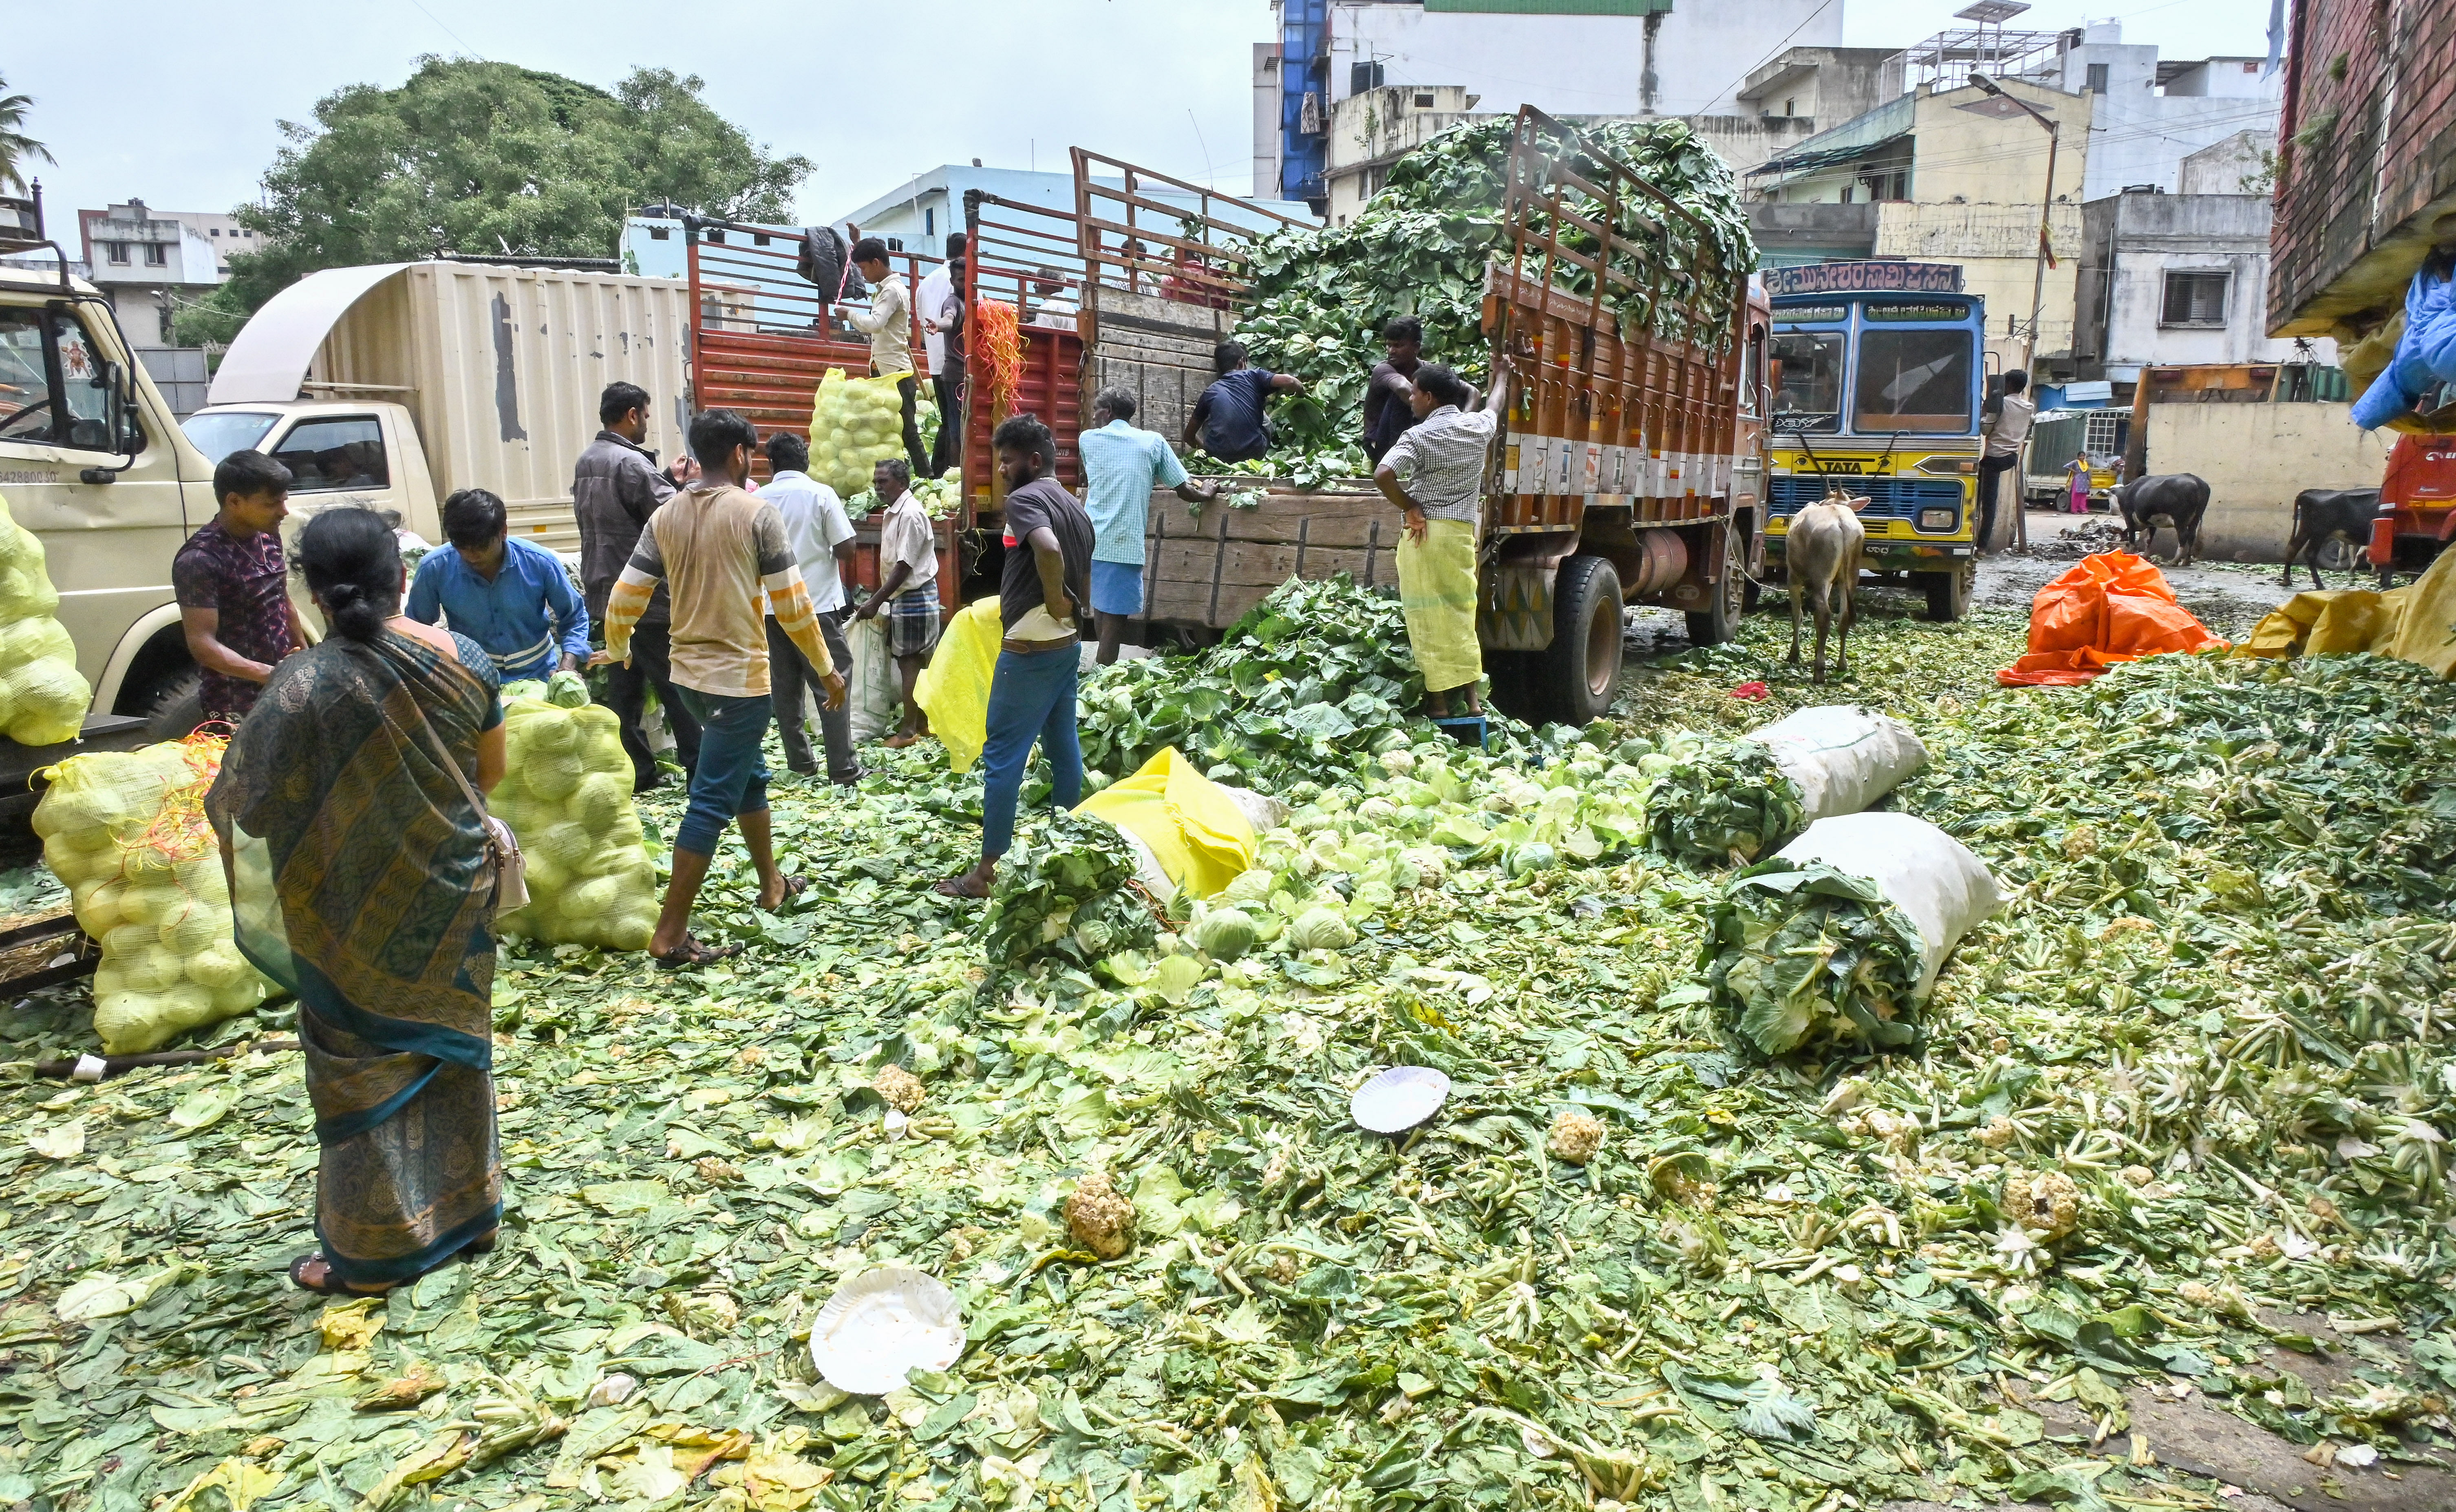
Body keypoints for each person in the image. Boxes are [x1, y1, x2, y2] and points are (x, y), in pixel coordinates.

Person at [206, 507, 507, 1296]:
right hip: (450, 893)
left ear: (312, 590)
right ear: (400, 575)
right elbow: (490, 774)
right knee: (449, 1048)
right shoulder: (466, 658)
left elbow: (248, 805)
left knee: (358, 1067)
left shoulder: (299, 687)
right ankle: (469, 1215)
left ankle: (375, 1254)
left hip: (342, 907)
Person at [604, 409, 846, 969]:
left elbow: (626, 594)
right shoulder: (755, 514)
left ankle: (772, 885)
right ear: (740, 453)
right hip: (738, 682)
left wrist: (617, 648)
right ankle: (669, 935)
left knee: (749, 778)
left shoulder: (665, 516)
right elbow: (793, 604)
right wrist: (826, 669)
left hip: (687, 676)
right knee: (711, 799)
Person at [937, 413, 1095, 900]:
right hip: (1065, 643)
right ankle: (1073, 842)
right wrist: (1068, 611)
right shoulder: (1073, 502)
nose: (1001, 470)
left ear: (1032, 461)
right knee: (1062, 742)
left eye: (1006, 461)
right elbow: (1079, 560)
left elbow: (1047, 550)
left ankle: (985, 873)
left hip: (1029, 647)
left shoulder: (1026, 499)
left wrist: (1052, 599)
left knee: (1003, 756)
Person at [574, 381, 704, 792]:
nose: (647, 423)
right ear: (631, 414)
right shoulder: (630, 463)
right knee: (675, 686)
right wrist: (688, 486)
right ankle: (700, 771)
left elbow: (624, 511)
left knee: (623, 692)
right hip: (645, 597)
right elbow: (674, 516)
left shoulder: (587, 460)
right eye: (646, 415)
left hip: (604, 593)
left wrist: (664, 476)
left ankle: (639, 773)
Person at [1373, 358, 1513, 720]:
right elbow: (1494, 404)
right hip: (1460, 535)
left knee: (1427, 616)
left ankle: (1438, 704)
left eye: (1415, 393)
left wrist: (1409, 506)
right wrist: (1503, 375)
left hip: (1424, 536)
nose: (1411, 400)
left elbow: (1383, 474)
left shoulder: (1418, 436)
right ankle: (1472, 702)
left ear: (1430, 397)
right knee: (1461, 613)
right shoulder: (1477, 426)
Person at [1079, 386, 1217, 664]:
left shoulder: (1087, 440)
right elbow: (1184, 490)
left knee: (1101, 608)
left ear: (1107, 413)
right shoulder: (1152, 443)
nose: (1093, 416)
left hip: (1090, 536)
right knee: (1115, 618)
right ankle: (1102, 679)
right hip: (1123, 540)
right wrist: (1208, 493)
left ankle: (1099, 675)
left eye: (1096, 411)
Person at [759, 432, 862, 784]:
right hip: (817, 606)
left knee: (784, 687)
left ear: (770, 464)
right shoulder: (821, 494)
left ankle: (800, 762)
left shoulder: (757, 499)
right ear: (805, 460)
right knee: (832, 682)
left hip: (772, 609)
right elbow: (847, 548)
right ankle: (843, 767)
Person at [174, 449, 306, 724]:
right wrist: (266, 673)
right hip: (234, 701)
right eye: (272, 503)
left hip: (282, 688)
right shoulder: (200, 559)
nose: (284, 511)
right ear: (234, 501)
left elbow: (283, 603)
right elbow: (202, 643)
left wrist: (305, 660)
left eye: (284, 500)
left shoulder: (269, 536)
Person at [405, 488, 590, 681]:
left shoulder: (540, 562)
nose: (471, 555)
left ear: (503, 532)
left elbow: (575, 617)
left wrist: (567, 667)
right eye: (462, 547)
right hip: (473, 680)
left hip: (540, 675)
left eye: (481, 547)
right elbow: (415, 630)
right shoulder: (434, 568)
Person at [851, 458, 940, 747]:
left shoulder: (910, 514)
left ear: (901, 483)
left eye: (883, 481)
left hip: (914, 595)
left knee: (910, 663)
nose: (878, 487)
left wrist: (876, 601)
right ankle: (923, 724)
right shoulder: (896, 512)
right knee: (912, 661)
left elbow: (903, 566)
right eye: (876, 482)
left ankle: (908, 730)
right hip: (905, 596)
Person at [847, 238, 931, 478]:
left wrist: (850, 314)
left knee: (908, 431)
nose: (862, 275)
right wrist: (857, 240)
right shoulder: (887, 289)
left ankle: (926, 476)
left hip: (895, 373)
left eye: (863, 268)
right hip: (885, 371)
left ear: (876, 263)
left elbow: (875, 323)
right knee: (884, 429)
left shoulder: (892, 291)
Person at [1185, 342, 1303, 464]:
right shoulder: (1254, 376)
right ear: (1242, 362)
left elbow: (1188, 437)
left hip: (1220, 457)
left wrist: (1209, 453)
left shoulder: (1210, 392)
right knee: (1263, 416)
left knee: (1209, 420)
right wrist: (1303, 393)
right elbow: (1289, 381)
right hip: (1255, 453)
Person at [920, 236, 968, 475]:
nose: (966, 283)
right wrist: (939, 325)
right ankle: (955, 475)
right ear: (953, 281)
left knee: (953, 425)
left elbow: (920, 319)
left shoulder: (925, 284)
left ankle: (942, 472)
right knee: (957, 428)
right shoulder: (954, 302)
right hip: (955, 372)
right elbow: (948, 318)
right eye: (961, 280)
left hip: (939, 365)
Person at [1977, 369, 2033, 551]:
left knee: (1988, 504)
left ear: (2007, 385)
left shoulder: (2000, 405)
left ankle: (1982, 546)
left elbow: (1985, 430)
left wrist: (1984, 410)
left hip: (1994, 457)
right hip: (2012, 458)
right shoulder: (2028, 408)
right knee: (1988, 502)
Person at [1362, 316, 1425, 465]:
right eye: (1389, 345)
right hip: (1382, 446)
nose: (1391, 351)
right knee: (1408, 397)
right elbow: (1403, 388)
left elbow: (1472, 392)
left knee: (1446, 390)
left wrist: (1460, 420)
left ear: (1416, 347)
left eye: (1398, 346)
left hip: (1414, 439)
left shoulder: (1425, 369)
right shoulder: (1383, 370)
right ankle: (1403, 462)